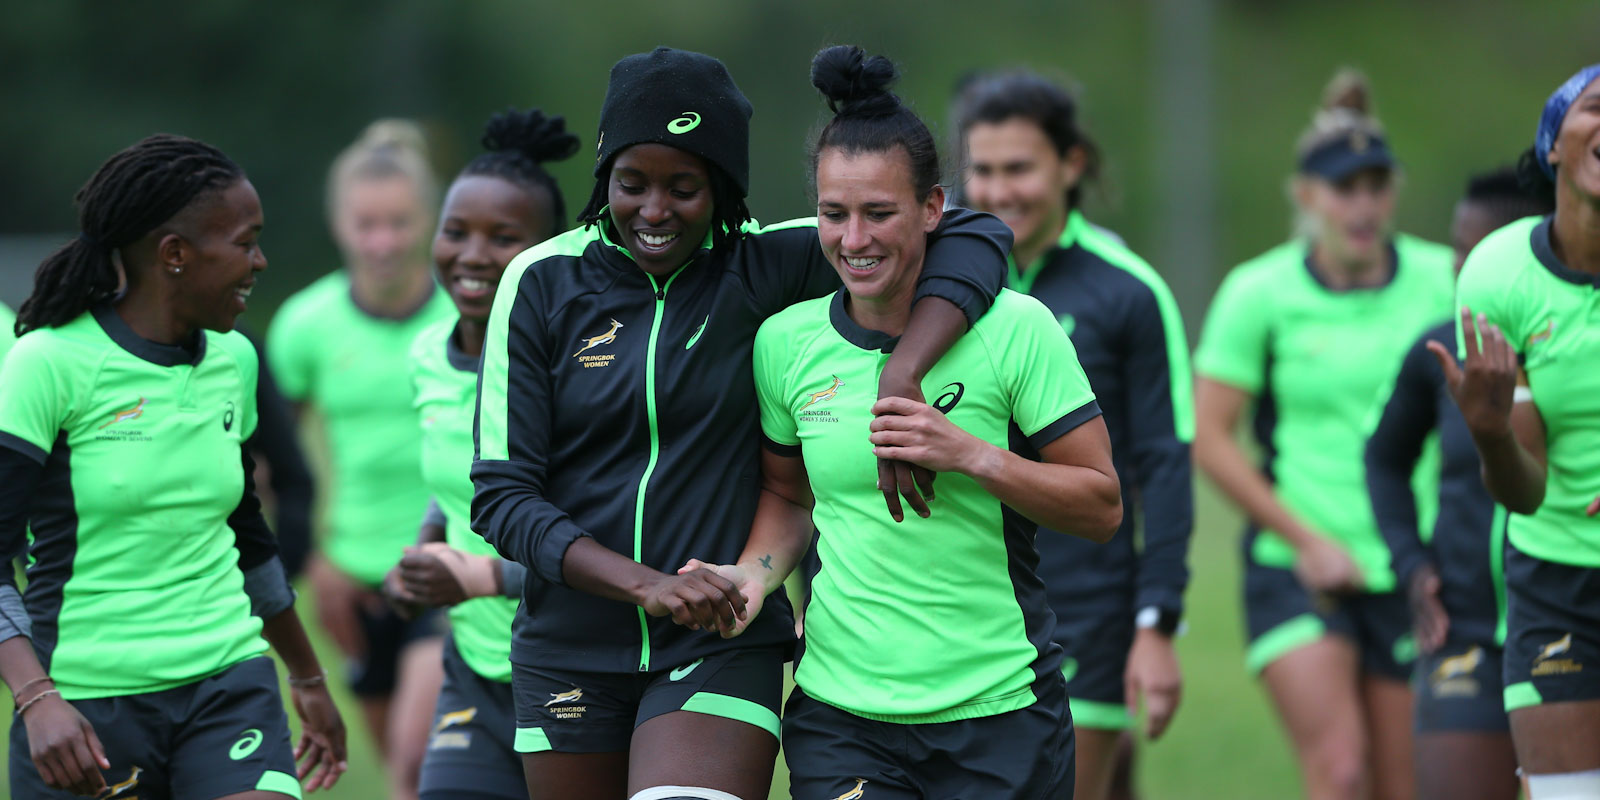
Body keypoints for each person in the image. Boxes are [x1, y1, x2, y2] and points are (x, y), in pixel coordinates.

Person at [472, 46, 1011, 800]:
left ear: (724, 189)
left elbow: (975, 235)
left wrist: (902, 370)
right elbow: (502, 499)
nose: (654, 211)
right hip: (569, 648)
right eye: (632, 184)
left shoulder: (767, 264)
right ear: (603, 181)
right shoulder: (541, 283)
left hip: (719, 634)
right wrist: (645, 587)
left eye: (684, 188)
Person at [681, 45, 1120, 800]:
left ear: (932, 208)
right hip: (843, 716)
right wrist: (748, 580)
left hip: (1001, 712)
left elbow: (1101, 506)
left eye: (880, 213)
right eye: (833, 214)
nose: (855, 241)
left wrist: (973, 455)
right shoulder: (786, 345)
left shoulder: (1019, 330)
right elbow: (790, 499)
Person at [0, 134, 346, 798]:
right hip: (85, 709)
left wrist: (307, 676)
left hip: (228, 684)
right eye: (245, 243)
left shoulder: (235, 360)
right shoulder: (48, 364)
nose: (260, 261)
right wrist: (36, 697)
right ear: (175, 255)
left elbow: (247, 536)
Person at [1192, 69, 1455, 800]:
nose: (1363, 204)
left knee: (1407, 786)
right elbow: (1211, 438)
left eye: (1377, 185)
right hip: (1298, 567)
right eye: (1345, 188)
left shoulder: (1444, 279)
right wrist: (1305, 540)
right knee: (1341, 772)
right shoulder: (1259, 293)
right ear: (1307, 195)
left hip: (1414, 566)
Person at [953, 69, 1192, 800]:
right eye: (982, 171)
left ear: (1071, 164)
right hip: (962, 600)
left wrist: (1157, 625)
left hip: (1086, 609)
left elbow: (1165, 464)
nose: (999, 192)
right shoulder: (940, 281)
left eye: (1019, 168)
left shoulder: (1128, 290)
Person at [383, 106, 580, 800]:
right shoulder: (425, 356)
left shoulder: (577, 376)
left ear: (546, 252)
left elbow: (614, 551)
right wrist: (425, 551)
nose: (471, 255)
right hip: (472, 667)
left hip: (574, 667)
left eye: (504, 238)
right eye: (456, 231)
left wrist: (483, 577)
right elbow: (457, 483)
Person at [267, 119, 454, 799]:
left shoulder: (466, 313)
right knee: (402, 780)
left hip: (445, 570)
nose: (382, 242)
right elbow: (266, 465)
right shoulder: (304, 325)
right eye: (365, 223)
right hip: (351, 580)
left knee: (416, 757)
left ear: (430, 220)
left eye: (400, 223)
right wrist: (312, 557)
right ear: (338, 222)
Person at [1364, 167, 1552, 800]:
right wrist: (1413, 566)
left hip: (1567, 616)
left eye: (1478, 252)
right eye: (1455, 249)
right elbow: (1383, 461)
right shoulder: (1439, 353)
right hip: (1465, 631)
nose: (1460, 269)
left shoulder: (1577, 345)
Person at [1444, 63, 1600, 800]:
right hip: (1558, 580)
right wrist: (1491, 435)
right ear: (1553, 146)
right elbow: (1525, 492)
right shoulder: (1499, 275)